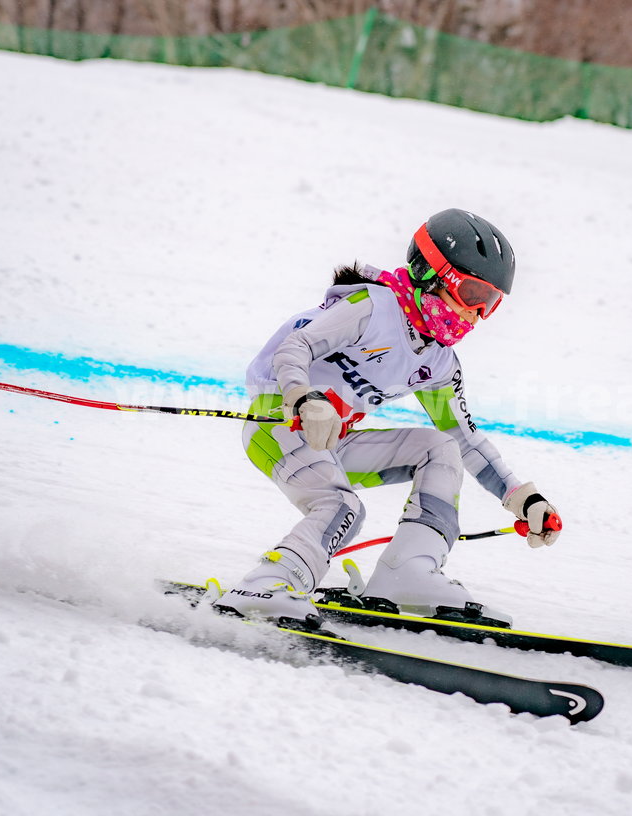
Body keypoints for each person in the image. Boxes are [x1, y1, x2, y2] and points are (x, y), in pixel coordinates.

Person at [217, 209, 561, 627]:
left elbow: (467, 439)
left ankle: (408, 571)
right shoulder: (372, 308)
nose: (476, 314)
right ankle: (268, 583)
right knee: (342, 505)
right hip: (279, 422)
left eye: (489, 304)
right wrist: (303, 398)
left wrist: (522, 498)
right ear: (432, 275)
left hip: (333, 440)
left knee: (442, 448)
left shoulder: (438, 360)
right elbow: (295, 348)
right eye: (472, 293)